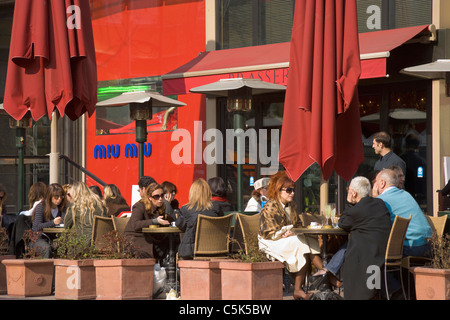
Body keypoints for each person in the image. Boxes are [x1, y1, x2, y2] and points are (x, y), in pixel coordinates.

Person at [258, 171, 322, 300]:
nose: (292, 193)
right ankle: (325, 276)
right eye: (288, 190)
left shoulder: (292, 206)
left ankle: (310, 282)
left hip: (288, 238)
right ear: (278, 191)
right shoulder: (270, 207)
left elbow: (298, 225)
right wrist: (284, 233)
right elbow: (269, 232)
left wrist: (292, 232)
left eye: (293, 190)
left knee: (306, 241)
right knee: (301, 243)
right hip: (270, 241)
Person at [337, 177, 391, 300]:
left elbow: (343, 222)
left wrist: (349, 204)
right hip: (380, 253)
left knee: (346, 249)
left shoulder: (358, 209)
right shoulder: (379, 203)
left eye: (348, 190)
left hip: (366, 257)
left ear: (353, 193)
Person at [373, 169, 432, 257]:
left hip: (410, 247)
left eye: (376, 182)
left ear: (382, 183)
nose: (374, 185)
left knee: (375, 250)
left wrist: (374, 199)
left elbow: (374, 224)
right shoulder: (406, 194)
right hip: (428, 246)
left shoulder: (381, 200)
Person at [176, 179, 223, 259]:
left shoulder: (186, 209)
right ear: (208, 192)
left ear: (192, 193)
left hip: (191, 251)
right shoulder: (216, 207)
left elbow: (180, 225)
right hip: (215, 248)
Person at [124, 183, 171, 258]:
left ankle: (169, 263)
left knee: (172, 239)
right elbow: (135, 224)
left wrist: (168, 205)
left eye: (162, 195)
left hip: (151, 237)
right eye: (156, 196)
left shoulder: (160, 207)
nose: (160, 199)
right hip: (136, 239)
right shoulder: (139, 206)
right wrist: (154, 221)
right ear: (149, 197)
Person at [31, 183, 66, 258]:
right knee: (46, 248)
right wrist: (52, 222)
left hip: (54, 238)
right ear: (50, 196)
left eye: (61, 196)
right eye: (56, 196)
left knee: (66, 246)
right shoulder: (41, 207)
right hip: (39, 238)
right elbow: (36, 227)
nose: (59, 199)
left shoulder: (62, 209)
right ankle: (46, 269)